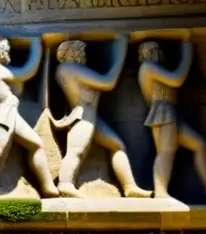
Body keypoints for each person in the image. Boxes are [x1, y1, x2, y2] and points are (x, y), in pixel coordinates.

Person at [52, 37, 151, 198]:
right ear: (69, 53)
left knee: (116, 145)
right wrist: (120, 53)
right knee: (76, 151)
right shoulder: (69, 68)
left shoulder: (69, 69)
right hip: (83, 116)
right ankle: (65, 184)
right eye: (79, 51)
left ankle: (129, 187)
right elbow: (108, 82)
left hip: (91, 116)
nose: (82, 54)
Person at [138, 39, 206, 199]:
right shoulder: (148, 67)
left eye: (155, 49)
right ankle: (160, 192)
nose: (154, 52)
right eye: (149, 50)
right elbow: (177, 79)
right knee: (165, 152)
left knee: (199, 145)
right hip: (163, 113)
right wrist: (187, 52)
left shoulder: (155, 68)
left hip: (171, 113)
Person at [0, 38, 58, 198]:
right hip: (4, 115)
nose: (7, 54)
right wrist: (36, 44)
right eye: (5, 50)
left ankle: (48, 187)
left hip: (10, 114)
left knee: (36, 145)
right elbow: (27, 72)